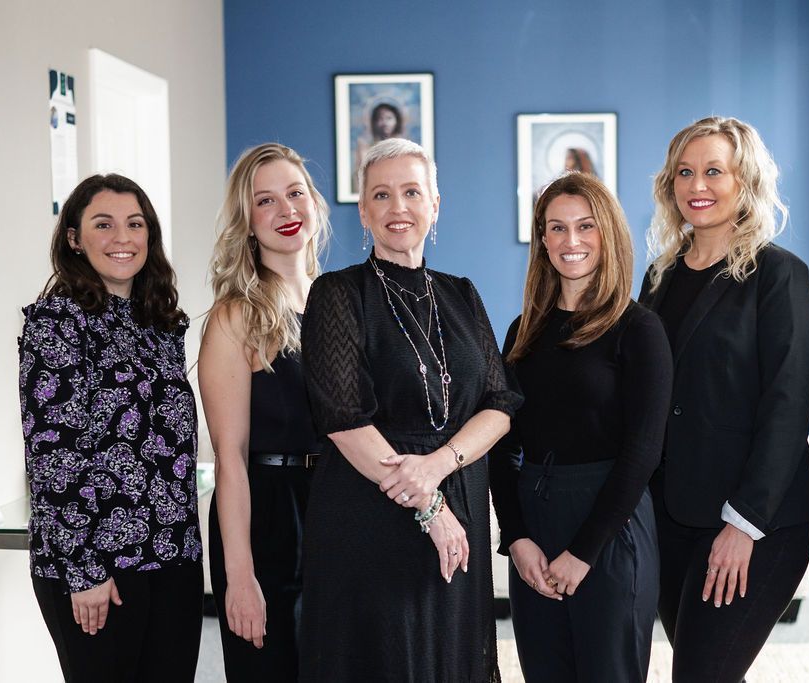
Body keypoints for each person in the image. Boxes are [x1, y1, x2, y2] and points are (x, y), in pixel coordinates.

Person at [298, 138, 522, 681]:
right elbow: (343, 418)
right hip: (371, 519)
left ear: (435, 204)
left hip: (457, 503)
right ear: (365, 213)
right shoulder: (336, 293)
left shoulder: (461, 294)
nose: (398, 207)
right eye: (382, 194)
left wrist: (441, 466)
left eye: (412, 192)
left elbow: (502, 403)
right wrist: (430, 507)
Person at [639, 116, 809, 682]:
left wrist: (743, 525)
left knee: (700, 674)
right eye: (685, 173)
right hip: (670, 515)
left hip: (754, 522)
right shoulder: (657, 278)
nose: (698, 186)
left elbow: (788, 407)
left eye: (714, 171)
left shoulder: (778, 275)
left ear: (746, 181)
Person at [18, 174, 202, 682]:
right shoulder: (57, 321)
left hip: (173, 554)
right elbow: (53, 455)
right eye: (104, 224)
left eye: (135, 224)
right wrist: (84, 571)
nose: (123, 237)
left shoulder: (161, 323)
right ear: (74, 238)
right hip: (96, 565)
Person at [489, 172, 672, 681]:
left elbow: (643, 452)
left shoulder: (639, 330)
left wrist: (583, 553)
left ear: (607, 233)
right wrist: (516, 537)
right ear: (542, 239)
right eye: (557, 228)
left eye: (585, 226)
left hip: (610, 527)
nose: (571, 241)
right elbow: (500, 440)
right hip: (536, 523)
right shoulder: (522, 331)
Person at [199, 143, 331, 681]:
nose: (286, 211)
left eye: (295, 193)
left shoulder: (335, 300)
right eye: (266, 201)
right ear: (247, 223)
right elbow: (229, 460)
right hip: (267, 518)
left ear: (315, 204)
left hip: (335, 509)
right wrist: (240, 576)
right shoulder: (236, 317)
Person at [353, 101, 405, 194]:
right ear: (374, 122)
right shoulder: (365, 147)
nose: (385, 123)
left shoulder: (404, 147)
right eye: (380, 119)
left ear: (397, 121)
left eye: (389, 118)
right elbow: (360, 175)